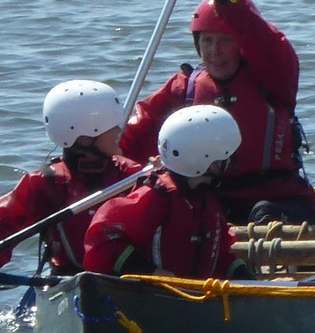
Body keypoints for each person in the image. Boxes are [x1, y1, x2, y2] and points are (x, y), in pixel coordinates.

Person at [119, 0, 315, 225]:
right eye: (207, 41)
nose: (215, 52)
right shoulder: (184, 88)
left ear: (242, 45)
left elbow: (256, 32)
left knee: (263, 214)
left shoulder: (275, 76)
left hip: (279, 198)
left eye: (225, 41)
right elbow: (126, 140)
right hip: (211, 199)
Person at [0, 80, 142, 273]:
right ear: (84, 137)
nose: (119, 131)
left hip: (125, 274)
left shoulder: (130, 174)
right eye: (111, 126)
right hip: (67, 278)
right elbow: (4, 220)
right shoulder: (47, 182)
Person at [83, 106, 241, 279]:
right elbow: (103, 238)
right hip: (153, 296)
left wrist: (249, 280)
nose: (230, 162)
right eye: (225, 157)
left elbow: (222, 255)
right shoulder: (156, 198)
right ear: (206, 161)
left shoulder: (205, 198)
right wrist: (150, 272)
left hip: (193, 297)